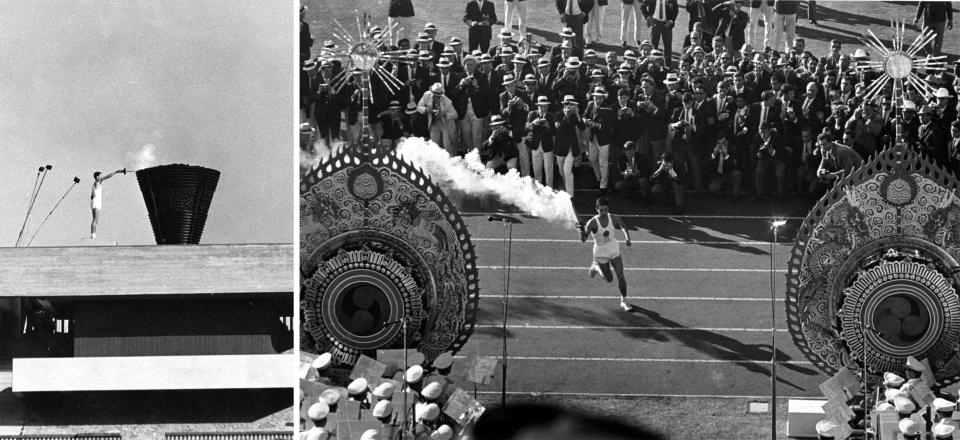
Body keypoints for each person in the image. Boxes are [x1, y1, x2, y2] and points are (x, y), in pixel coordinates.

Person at [578, 196, 633, 312]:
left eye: (605, 210)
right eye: (601, 210)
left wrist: (627, 238)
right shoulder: (592, 223)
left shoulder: (613, 218)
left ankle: (624, 301)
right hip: (600, 252)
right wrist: (581, 232)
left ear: (608, 209)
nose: (603, 212)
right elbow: (583, 239)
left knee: (621, 276)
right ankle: (595, 267)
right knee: (609, 279)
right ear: (596, 209)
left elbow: (623, 226)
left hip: (613, 249)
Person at [641, 0, 679, 68]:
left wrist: (671, 21)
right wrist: (648, 17)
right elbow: (643, 6)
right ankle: (652, 66)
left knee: (667, 47)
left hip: (666, 24)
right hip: (654, 23)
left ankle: (668, 67)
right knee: (653, 46)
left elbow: (675, 10)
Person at [90, 169, 124, 239]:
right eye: (100, 176)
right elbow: (108, 176)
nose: (101, 177)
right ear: (97, 177)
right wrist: (116, 172)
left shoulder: (96, 184)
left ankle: (94, 235)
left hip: (97, 201)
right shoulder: (97, 181)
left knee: (97, 220)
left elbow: (91, 195)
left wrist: (94, 197)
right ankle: (93, 235)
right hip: (96, 201)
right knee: (95, 219)